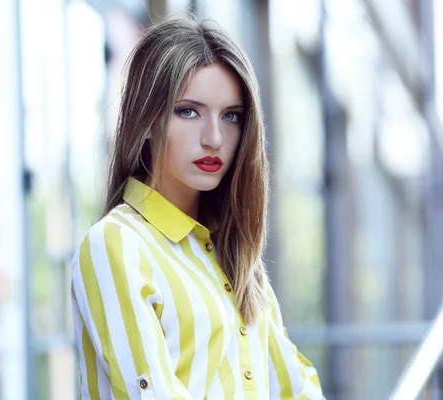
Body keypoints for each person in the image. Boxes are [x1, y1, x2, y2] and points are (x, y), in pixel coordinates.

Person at [71, 14, 325, 399]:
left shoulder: (234, 256)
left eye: (231, 116)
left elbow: (295, 387)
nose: (214, 138)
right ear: (148, 117)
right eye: (188, 111)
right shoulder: (116, 245)